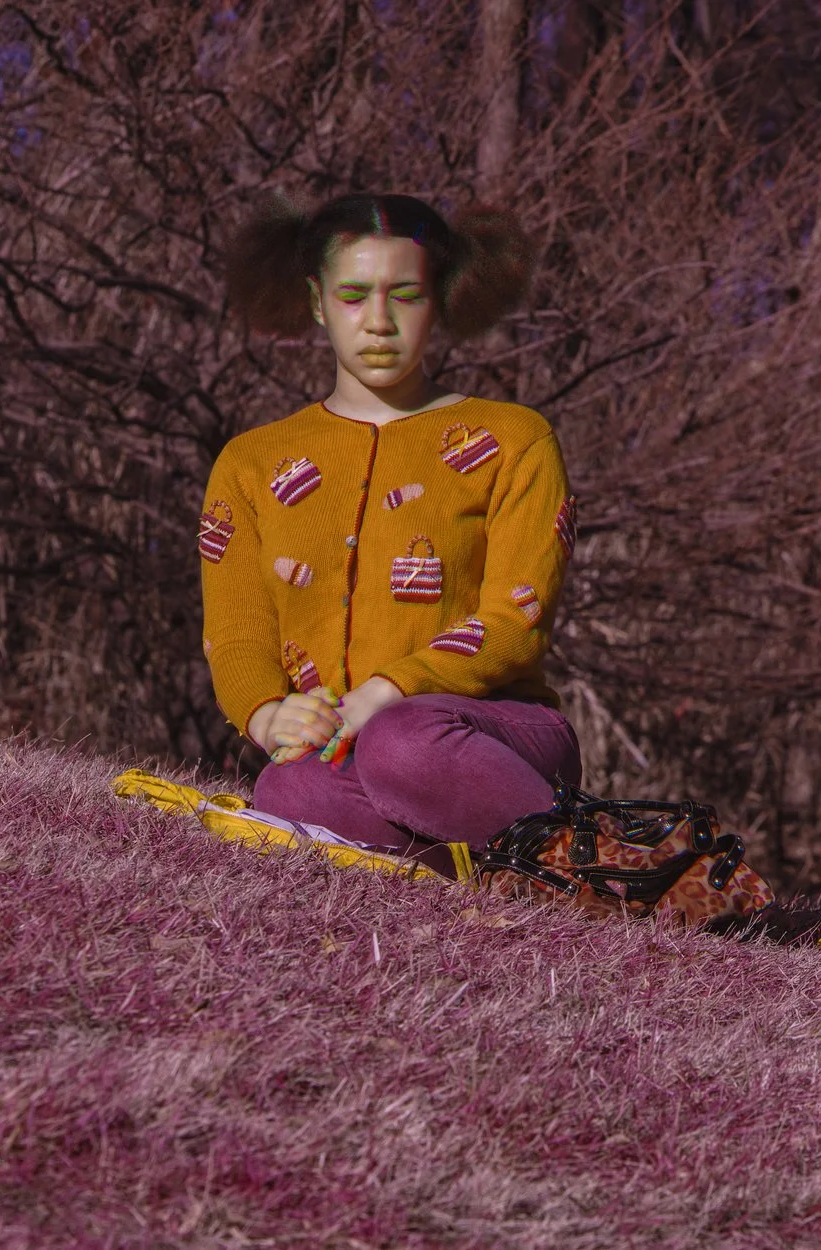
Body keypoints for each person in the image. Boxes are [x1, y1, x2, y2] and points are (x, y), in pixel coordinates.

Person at [199, 193, 576, 878]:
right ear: (316, 302)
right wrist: (266, 715)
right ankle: (499, 878)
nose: (378, 322)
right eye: (352, 296)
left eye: (404, 295)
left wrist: (389, 689)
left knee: (401, 741)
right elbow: (237, 631)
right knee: (288, 790)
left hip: (491, 736)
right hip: (349, 754)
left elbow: (516, 621)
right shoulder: (251, 462)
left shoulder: (515, 438)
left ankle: (603, 863)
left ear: (438, 301)